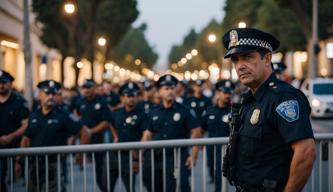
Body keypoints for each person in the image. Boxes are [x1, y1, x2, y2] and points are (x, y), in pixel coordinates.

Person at [221, 28, 316, 191]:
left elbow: (306, 153)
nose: (240, 66)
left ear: (267, 58)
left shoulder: (283, 97)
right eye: (236, 60)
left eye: (247, 57)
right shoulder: (250, 99)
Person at [15, 80, 90, 192]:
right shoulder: (34, 115)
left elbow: (84, 132)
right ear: (40, 95)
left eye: (53, 94)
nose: (50, 96)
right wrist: (18, 161)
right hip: (33, 165)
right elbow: (26, 139)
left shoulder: (63, 114)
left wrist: (80, 153)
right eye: (47, 93)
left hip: (53, 165)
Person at [141, 74, 202, 192]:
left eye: (172, 88)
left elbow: (196, 132)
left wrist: (193, 156)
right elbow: (147, 134)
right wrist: (140, 153)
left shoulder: (185, 110)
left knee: (175, 187)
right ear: (159, 91)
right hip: (155, 157)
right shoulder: (154, 111)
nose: (170, 91)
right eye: (166, 89)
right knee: (151, 184)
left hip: (176, 157)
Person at [103, 81, 146, 192]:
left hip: (130, 156)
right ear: (122, 98)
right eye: (128, 96)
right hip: (114, 154)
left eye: (134, 96)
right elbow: (111, 123)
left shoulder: (142, 114)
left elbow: (145, 135)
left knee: (130, 188)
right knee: (107, 186)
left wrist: (138, 158)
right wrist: (115, 136)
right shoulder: (117, 112)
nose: (131, 99)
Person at [74, 79, 112, 191]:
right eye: (84, 87)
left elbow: (106, 122)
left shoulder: (102, 101)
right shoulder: (80, 101)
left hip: (99, 139)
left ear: (94, 88)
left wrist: (91, 131)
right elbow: (77, 115)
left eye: (89, 87)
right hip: (84, 138)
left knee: (102, 174)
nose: (86, 90)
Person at [0, 70, 29, 192]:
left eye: (4, 82)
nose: (1, 86)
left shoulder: (19, 102)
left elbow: (26, 124)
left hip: (15, 148)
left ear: (10, 84)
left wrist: (11, 136)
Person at [202, 80, 233, 192]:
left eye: (229, 93)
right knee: (212, 169)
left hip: (227, 148)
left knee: (221, 173)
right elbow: (202, 128)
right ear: (218, 93)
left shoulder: (234, 111)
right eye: (225, 92)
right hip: (211, 147)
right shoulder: (209, 110)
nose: (227, 95)